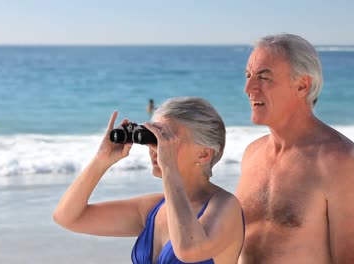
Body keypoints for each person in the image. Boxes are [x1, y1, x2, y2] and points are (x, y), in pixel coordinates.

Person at [235, 33, 354, 264]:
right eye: (248, 76)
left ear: (302, 85)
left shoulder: (341, 161)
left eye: (264, 77)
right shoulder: (252, 154)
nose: (248, 87)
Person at [53, 97, 245, 263]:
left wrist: (169, 166)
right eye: (153, 138)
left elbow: (188, 250)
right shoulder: (153, 208)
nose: (155, 149)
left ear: (204, 154)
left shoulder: (225, 206)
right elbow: (68, 217)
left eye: (166, 140)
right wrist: (100, 161)